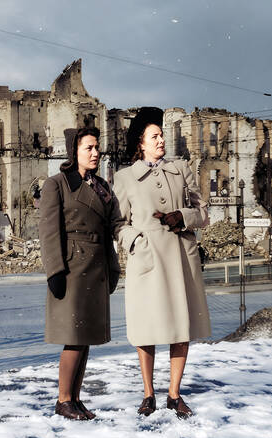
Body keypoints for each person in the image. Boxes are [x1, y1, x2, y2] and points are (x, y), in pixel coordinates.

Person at [113, 107, 211, 419]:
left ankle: (174, 394)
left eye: (162, 136)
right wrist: (136, 242)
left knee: (180, 325)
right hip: (147, 261)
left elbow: (204, 212)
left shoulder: (181, 169)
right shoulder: (125, 178)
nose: (161, 141)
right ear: (140, 143)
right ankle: (148, 394)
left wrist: (183, 216)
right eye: (154, 136)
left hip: (181, 258)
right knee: (146, 327)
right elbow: (117, 223)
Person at [39, 127, 122, 420]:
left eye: (97, 147)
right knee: (73, 336)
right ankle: (63, 400)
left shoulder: (102, 187)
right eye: (88, 148)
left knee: (85, 337)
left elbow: (113, 225)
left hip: (96, 265)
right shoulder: (57, 184)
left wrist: (114, 267)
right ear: (74, 151)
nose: (95, 153)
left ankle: (75, 398)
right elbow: (49, 231)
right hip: (72, 268)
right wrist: (55, 270)